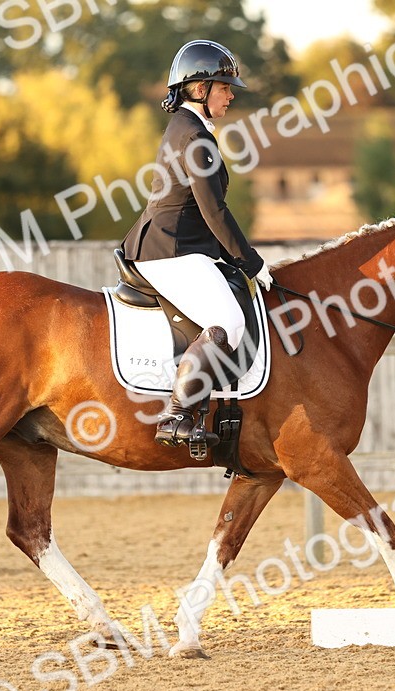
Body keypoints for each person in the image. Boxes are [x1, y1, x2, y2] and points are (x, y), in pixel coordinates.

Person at [121, 39, 267, 447]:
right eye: (223, 87)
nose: (230, 94)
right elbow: (213, 211)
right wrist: (252, 263)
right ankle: (175, 416)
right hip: (170, 250)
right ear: (198, 89)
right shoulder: (194, 136)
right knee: (229, 323)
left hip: (180, 247)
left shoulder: (191, 130)